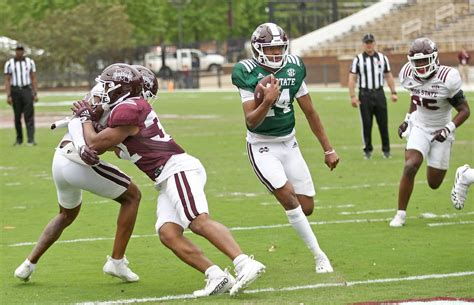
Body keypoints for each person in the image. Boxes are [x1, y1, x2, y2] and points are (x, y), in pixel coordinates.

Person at [72, 63, 265, 297]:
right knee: (168, 233)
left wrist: (84, 120)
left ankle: (244, 262)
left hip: (176, 169)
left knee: (197, 220)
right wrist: (90, 120)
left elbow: (95, 144)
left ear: (121, 90)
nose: (100, 90)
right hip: (166, 176)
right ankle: (216, 276)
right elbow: (103, 144)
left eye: (106, 86)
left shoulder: (130, 110)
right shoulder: (125, 111)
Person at [231, 22, 339, 273]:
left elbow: (310, 112)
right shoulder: (246, 71)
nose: (276, 53)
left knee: (307, 206)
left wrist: (328, 148)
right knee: (289, 198)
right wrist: (267, 101)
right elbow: (251, 121)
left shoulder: (294, 67)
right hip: (262, 146)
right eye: (270, 49)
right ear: (258, 50)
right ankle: (320, 256)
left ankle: (281, 192)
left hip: (290, 144)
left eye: (279, 48)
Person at [14, 83, 142, 283]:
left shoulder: (106, 94)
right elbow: (79, 122)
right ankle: (117, 261)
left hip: (61, 158)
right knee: (132, 196)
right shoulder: (109, 98)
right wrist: (85, 146)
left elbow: (89, 128)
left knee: (66, 215)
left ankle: (28, 264)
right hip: (77, 160)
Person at [390, 38, 470, 227]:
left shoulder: (447, 78)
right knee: (410, 165)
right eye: (417, 62)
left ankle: (464, 174)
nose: (421, 65)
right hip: (420, 126)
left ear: (434, 58)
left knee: (434, 183)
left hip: (442, 129)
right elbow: (415, 97)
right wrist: (408, 120)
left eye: (424, 60)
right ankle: (400, 214)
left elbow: (465, 110)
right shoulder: (408, 74)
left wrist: (448, 129)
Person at [348, 33, 398, 159]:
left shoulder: (382, 58)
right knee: (367, 123)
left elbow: (388, 75)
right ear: (363, 44)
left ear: (374, 43)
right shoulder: (358, 59)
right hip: (364, 94)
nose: (369, 45)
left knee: (383, 123)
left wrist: (393, 92)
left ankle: (386, 150)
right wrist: (353, 96)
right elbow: (352, 78)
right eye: (367, 43)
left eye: (371, 42)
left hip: (379, 93)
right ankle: (368, 150)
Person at [4, 44, 39, 146]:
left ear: (23, 51)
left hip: (26, 90)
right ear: (15, 51)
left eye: (21, 50)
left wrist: (35, 92)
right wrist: (8, 95)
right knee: (17, 116)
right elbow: (7, 80)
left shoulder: (30, 62)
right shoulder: (9, 63)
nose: (19, 52)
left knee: (29, 115)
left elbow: (33, 78)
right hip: (15, 91)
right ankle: (19, 140)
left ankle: (30, 139)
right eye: (17, 50)